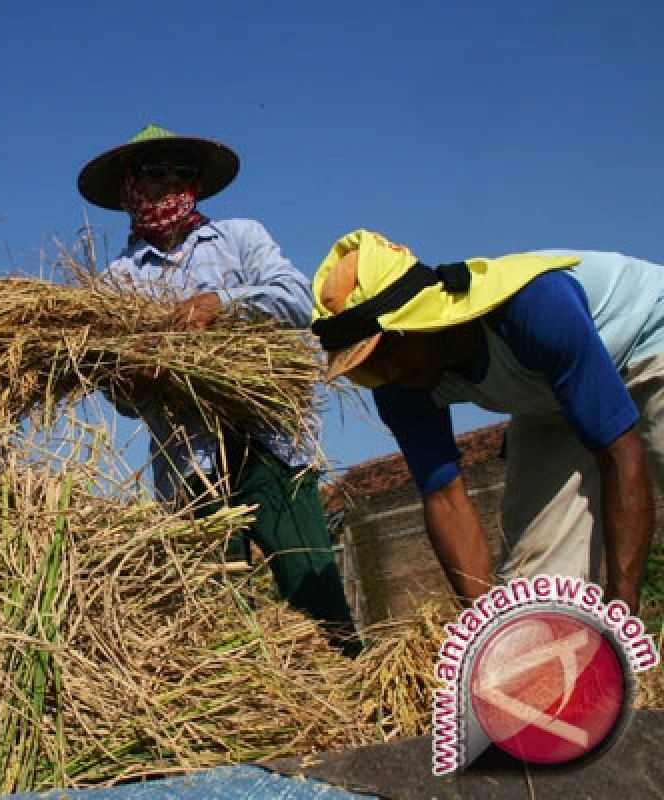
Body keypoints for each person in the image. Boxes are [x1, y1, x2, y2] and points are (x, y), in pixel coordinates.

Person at [77, 124, 357, 643]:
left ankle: (357, 692)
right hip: (190, 467)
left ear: (198, 183)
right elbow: (122, 400)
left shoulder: (240, 238)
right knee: (216, 618)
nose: (169, 184)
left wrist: (220, 304)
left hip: (271, 446)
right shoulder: (116, 282)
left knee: (314, 592)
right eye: (154, 172)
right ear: (130, 185)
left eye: (181, 172)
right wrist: (135, 380)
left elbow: (297, 301)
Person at [310, 229, 664, 614]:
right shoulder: (398, 385)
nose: (388, 369)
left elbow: (620, 452)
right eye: (369, 362)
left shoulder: (534, 308)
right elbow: (445, 498)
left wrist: (621, 612)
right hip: (551, 397)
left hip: (649, 340)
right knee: (533, 591)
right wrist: (488, 636)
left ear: (422, 316)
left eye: (391, 346)